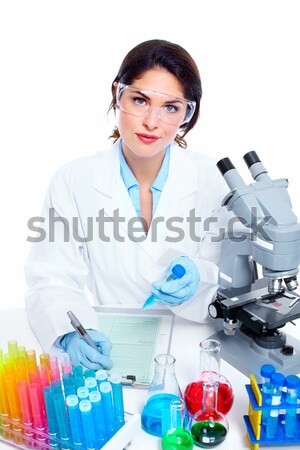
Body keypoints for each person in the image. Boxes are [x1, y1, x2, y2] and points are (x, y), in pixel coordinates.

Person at [25, 39, 232, 370]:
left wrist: (200, 278)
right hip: (112, 346)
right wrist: (71, 334)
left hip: (198, 348)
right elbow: (52, 277)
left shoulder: (214, 179)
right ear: (117, 95)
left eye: (170, 107)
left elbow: (233, 283)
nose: (152, 122)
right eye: (140, 100)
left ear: (187, 113)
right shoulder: (74, 179)